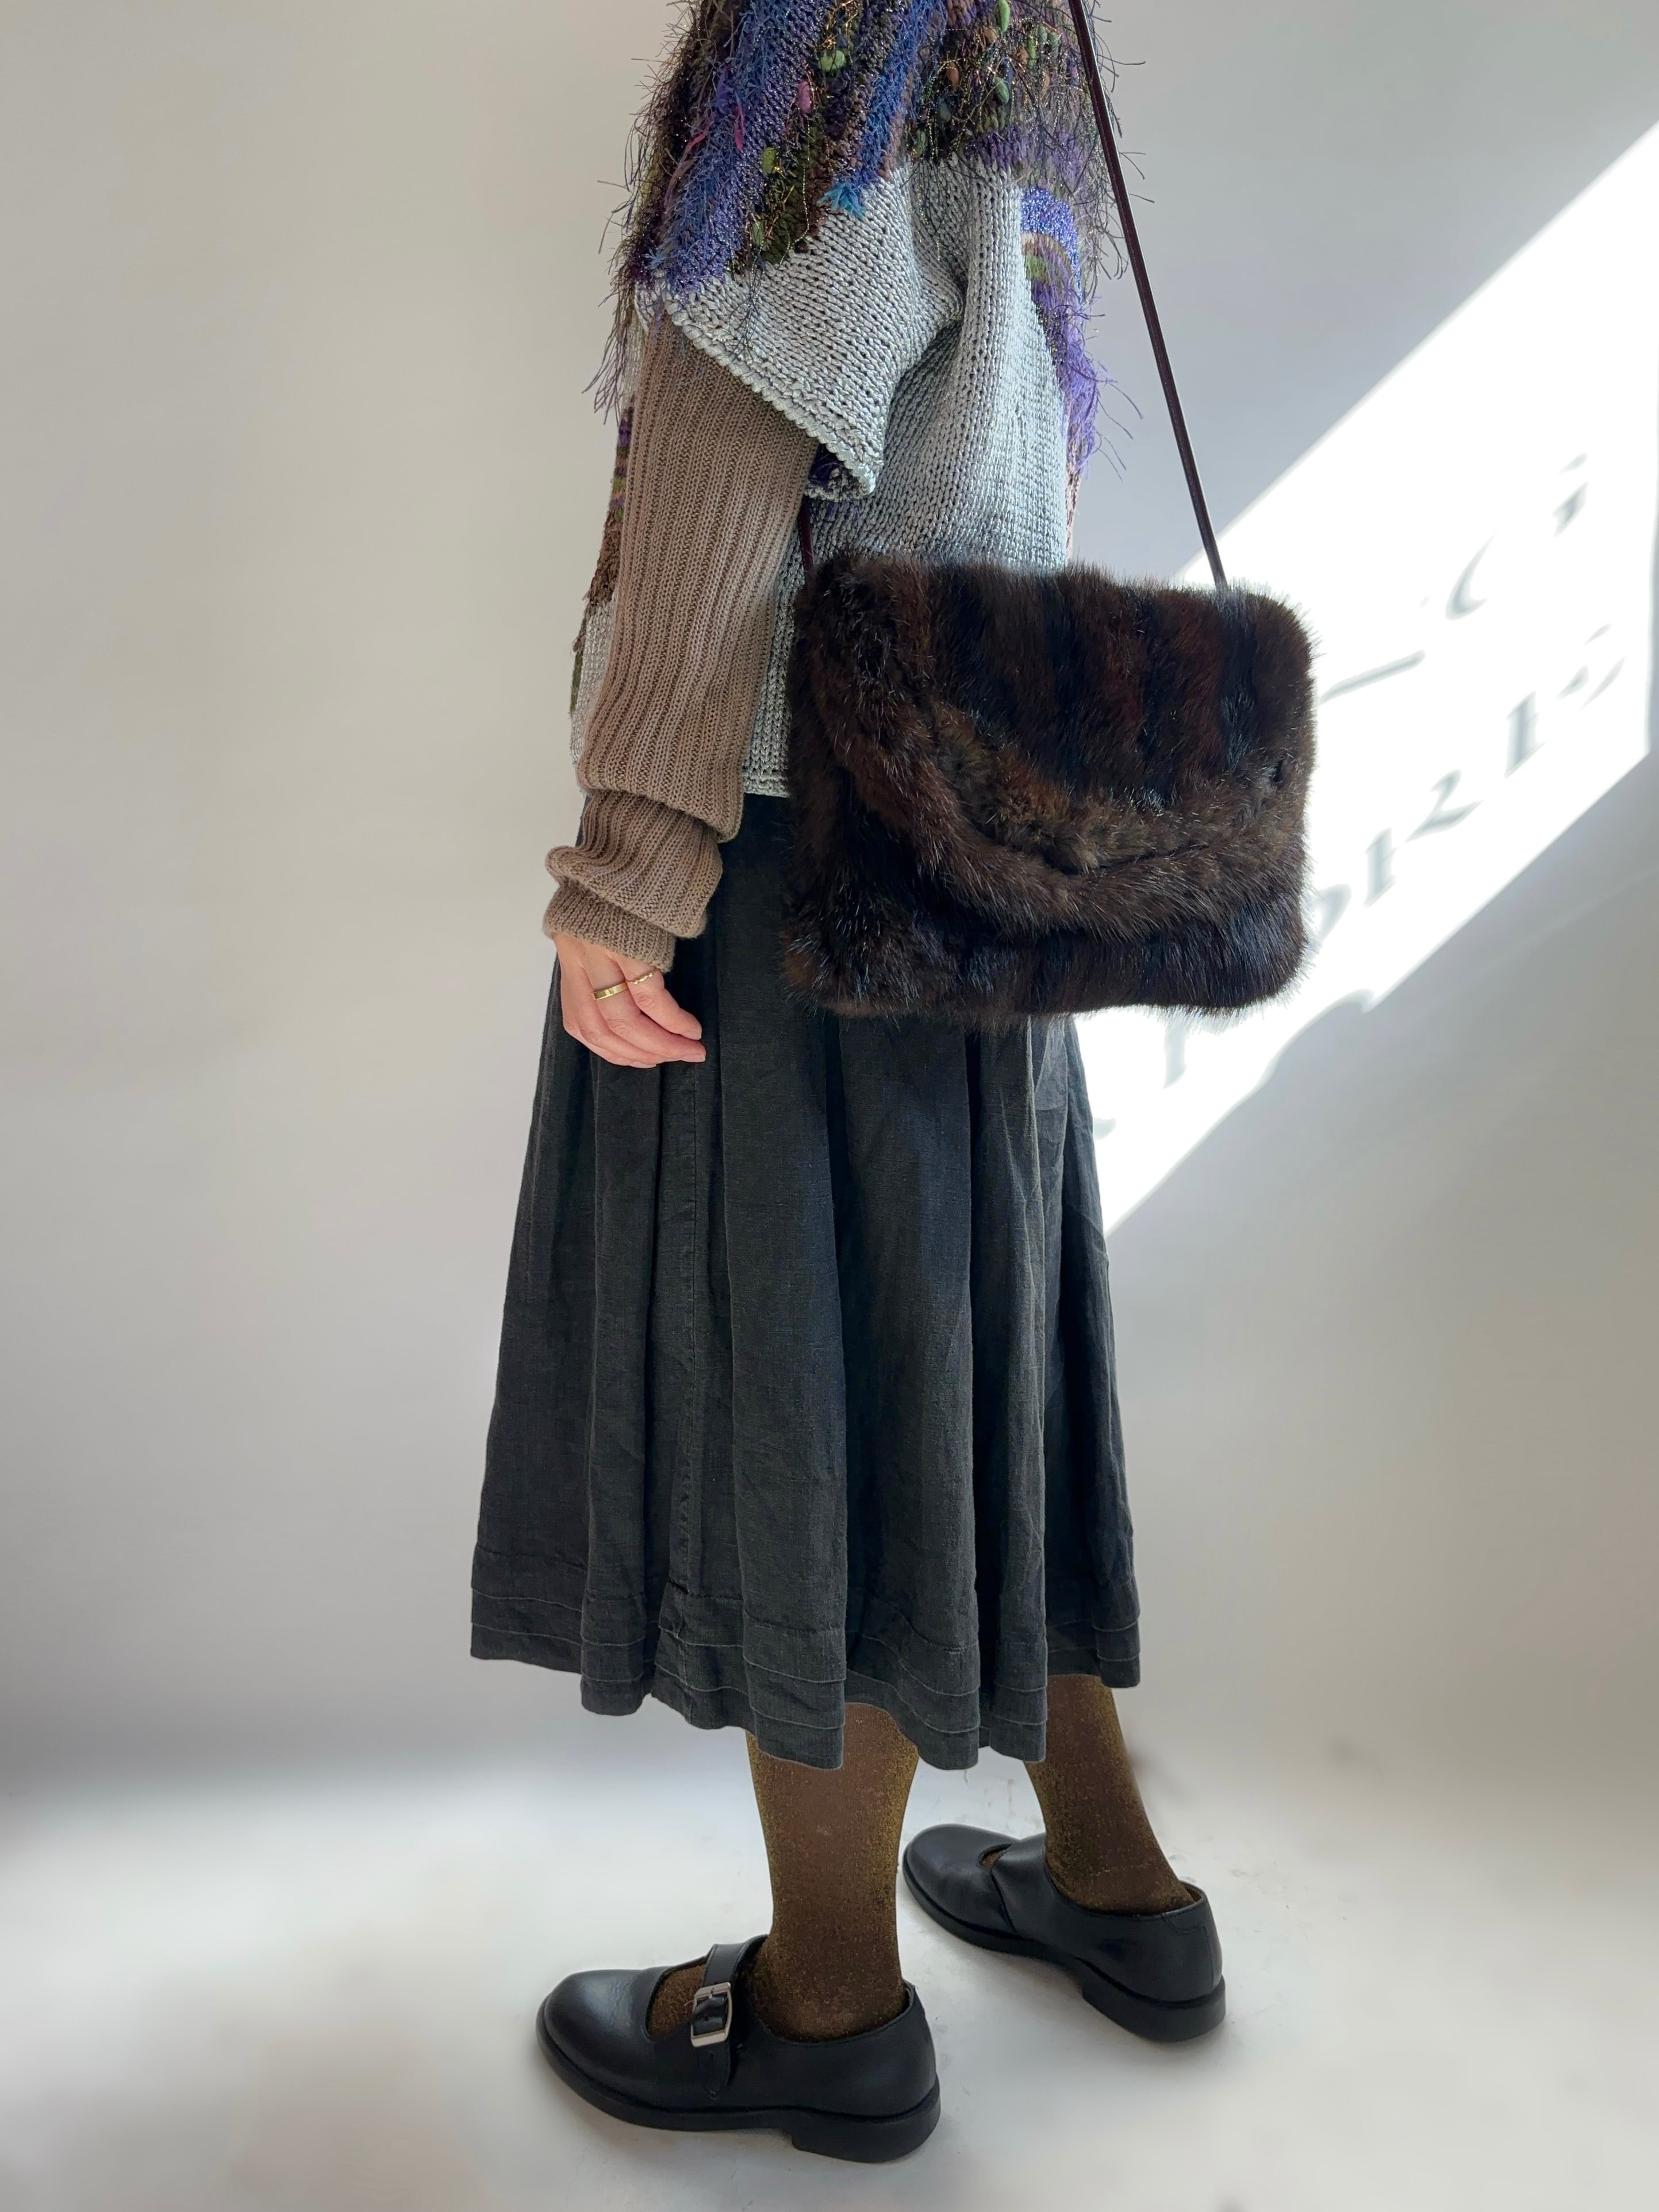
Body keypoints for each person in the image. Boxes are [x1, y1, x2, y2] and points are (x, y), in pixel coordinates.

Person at [472, 0, 1224, 2163]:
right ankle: (1119, 1894)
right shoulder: (1007, 49)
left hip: (803, 852)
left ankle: (827, 2010)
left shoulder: (822, 40)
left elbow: (729, 466)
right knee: (969, 1367)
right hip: (983, 834)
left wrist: (631, 868)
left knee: (825, 1408)